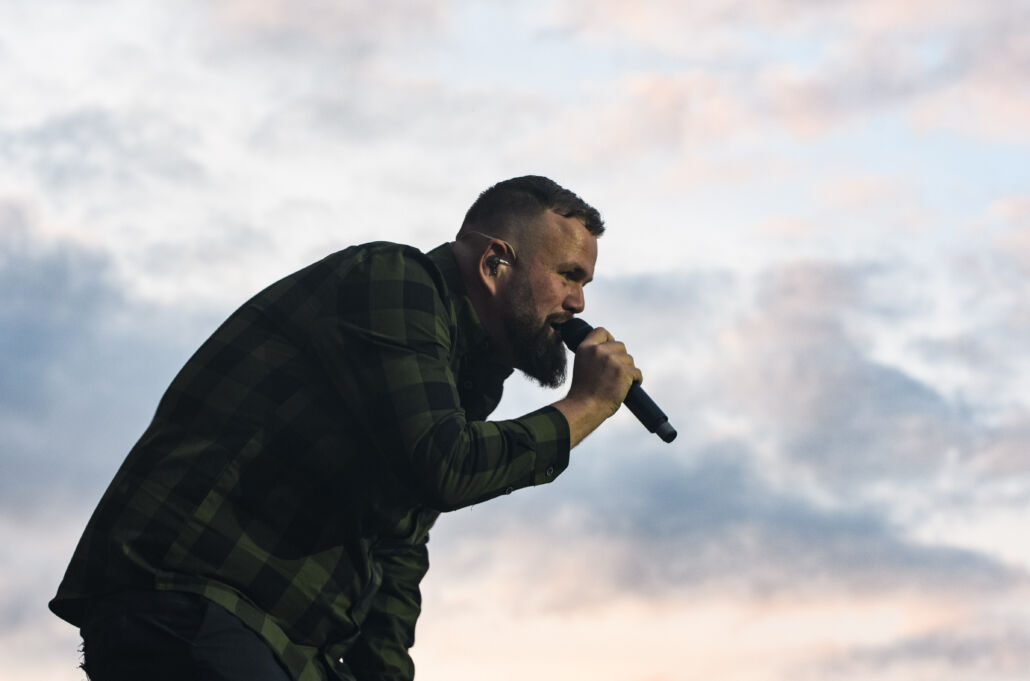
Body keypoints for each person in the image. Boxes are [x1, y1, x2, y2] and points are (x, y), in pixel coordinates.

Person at [49, 175, 642, 681]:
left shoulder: (469, 373)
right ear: (493, 263)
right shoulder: (397, 281)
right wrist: (586, 405)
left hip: (282, 642)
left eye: (584, 284)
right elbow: (445, 465)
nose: (578, 303)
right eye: (568, 275)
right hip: (196, 602)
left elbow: (398, 542)